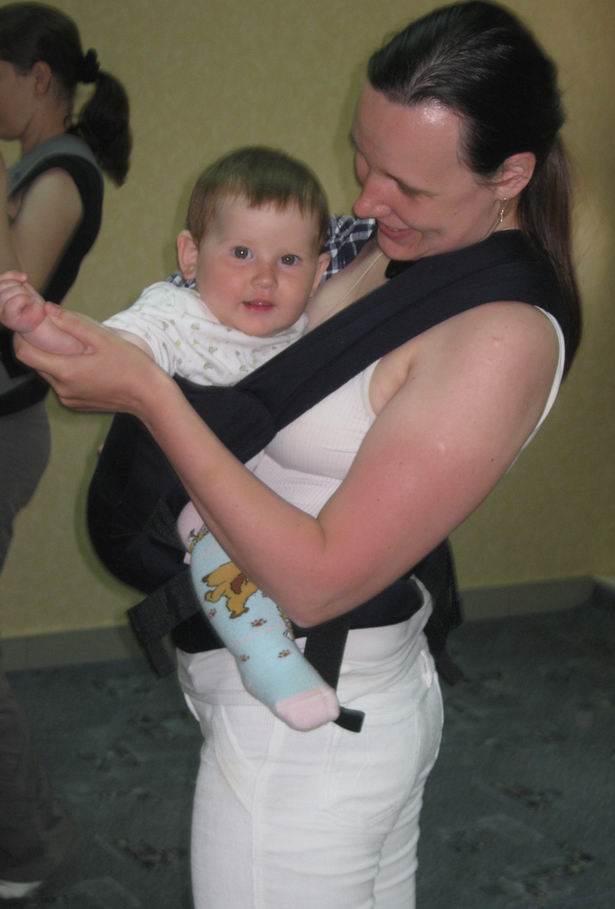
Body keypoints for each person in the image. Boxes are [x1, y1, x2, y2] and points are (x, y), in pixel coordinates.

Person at [8, 2, 582, 906]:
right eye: (364, 158)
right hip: (301, 699)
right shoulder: (383, 248)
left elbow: (317, 581)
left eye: (407, 186)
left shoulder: (500, 333)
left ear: (509, 173)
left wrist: (149, 396)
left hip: (309, 732)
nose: (368, 201)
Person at [0, 145, 343, 732]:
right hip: (198, 498)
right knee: (213, 538)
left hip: (283, 501)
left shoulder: (307, 332)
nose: (264, 276)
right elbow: (107, 353)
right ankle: (268, 658)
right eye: (241, 252)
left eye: (289, 260)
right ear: (190, 255)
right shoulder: (177, 315)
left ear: (318, 273)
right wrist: (42, 323)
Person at [0, 2, 131, 900]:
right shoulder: (32, 166)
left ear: (36, 78)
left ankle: (30, 844)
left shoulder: (62, 172)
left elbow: (10, 299)